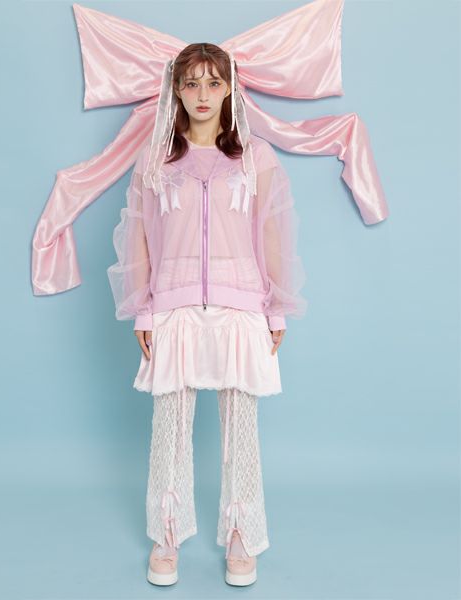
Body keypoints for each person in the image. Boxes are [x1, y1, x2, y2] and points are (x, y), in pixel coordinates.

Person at [106, 42, 307, 587]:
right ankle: (166, 533)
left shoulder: (255, 158)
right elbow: (139, 235)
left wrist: (276, 306)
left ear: (229, 88)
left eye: (213, 82)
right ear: (175, 89)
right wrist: (143, 309)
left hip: (241, 304)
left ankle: (242, 534)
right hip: (172, 305)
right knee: (169, 426)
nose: (202, 94)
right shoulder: (155, 160)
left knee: (241, 428)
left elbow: (272, 233)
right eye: (191, 83)